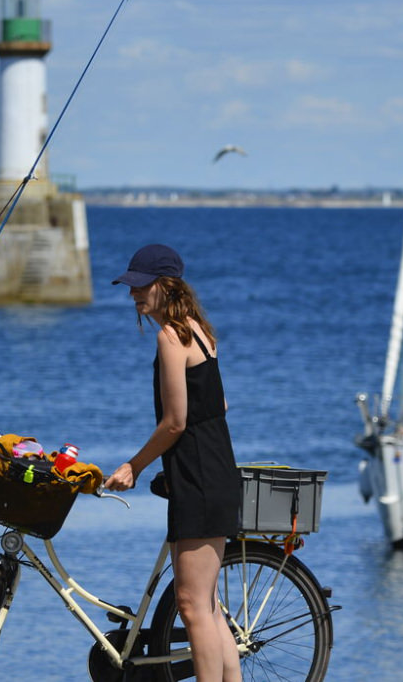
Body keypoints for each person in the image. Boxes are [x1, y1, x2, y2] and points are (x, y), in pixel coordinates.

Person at [100, 243, 242, 682]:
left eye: (142, 287)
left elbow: (176, 422)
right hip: (217, 469)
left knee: (192, 605)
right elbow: (218, 401)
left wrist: (134, 466)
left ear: (166, 286)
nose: (134, 296)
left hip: (198, 476)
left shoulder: (170, 337)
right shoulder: (200, 331)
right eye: (131, 288)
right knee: (208, 606)